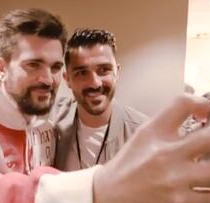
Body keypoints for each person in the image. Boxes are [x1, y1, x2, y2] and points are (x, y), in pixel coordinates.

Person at [0, 8, 210, 203]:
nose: (47, 79)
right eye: (32, 65)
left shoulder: (40, 121)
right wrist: (100, 186)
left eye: (54, 67)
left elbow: (192, 154)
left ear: (118, 72)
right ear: (0, 68)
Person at [52, 28, 147, 171]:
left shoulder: (143, 134)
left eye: (104, 70)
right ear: (68, 80)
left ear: (117, 72)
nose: (95, 83)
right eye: (82, 73)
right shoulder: (50, 125)